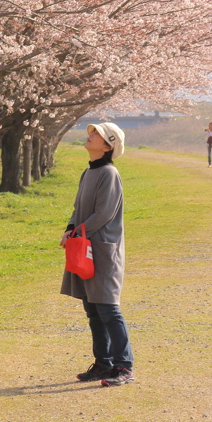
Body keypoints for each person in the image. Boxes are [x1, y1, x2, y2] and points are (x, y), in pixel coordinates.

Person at [59, 122, 134, 387]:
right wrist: (71, 229)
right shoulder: (88, 172)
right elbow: (77, 207)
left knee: (108, 308)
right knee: (92, 308)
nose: (90, 135)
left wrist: (79, 230)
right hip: (86, 246)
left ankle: (124, 366)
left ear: (107, 146)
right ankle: (104, 364)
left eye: (97, 134)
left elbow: (103, 214)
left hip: (103, 248)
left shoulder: (109, 174)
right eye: (92, 132)